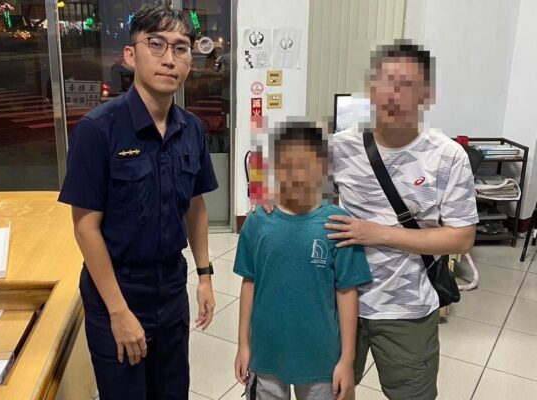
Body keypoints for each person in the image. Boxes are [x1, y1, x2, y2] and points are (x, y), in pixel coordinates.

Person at [58, 4, 218, 399]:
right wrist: (118, 312)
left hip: (171, 285)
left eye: (180, 48)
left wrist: (205, 275)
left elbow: (195, 206)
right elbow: (85, 227)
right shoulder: (98, 130)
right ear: (131, 55)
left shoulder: (192, 129)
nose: (169, 59)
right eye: (156, 44)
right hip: (117, 287)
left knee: (173, 391)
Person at [326, 41, 478, 399]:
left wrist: (378, 234)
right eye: (385, 82)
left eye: (407, 85)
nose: (393, 95)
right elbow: (290, 184)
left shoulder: (447, 156)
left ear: (426, 95)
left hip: (408, 307)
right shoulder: (338, 147)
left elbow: (462, 237)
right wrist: (266, 197)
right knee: (333, 391)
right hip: (340, 300)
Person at [234, 122, 373, 400]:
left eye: (305, 165)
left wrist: (347, 359)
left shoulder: (338, 225)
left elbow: (347, 292)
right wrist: (243, 345)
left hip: (321, 359)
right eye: (286, 166)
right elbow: (249, 283)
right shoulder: (258, 222)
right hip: (267, 353)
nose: (296, 176)